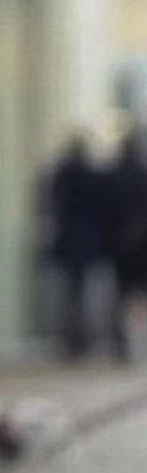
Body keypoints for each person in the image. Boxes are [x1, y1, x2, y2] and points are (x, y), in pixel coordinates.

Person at [43, 132, 110, 358]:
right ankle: (80, 336)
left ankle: (71, 336)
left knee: (70, 291)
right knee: (80, 290)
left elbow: (50, 203)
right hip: (87, 240)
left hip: (67, 239)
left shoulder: (61, 173)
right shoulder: (92, 174)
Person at [106, 126, 147, 362]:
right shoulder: (143, 174)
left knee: (122, 293)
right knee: (141, 292)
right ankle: (138, 341)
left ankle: (123, 342)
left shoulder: (114, 175)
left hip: (120, 244)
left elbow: (105, 211)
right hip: (142, 244)